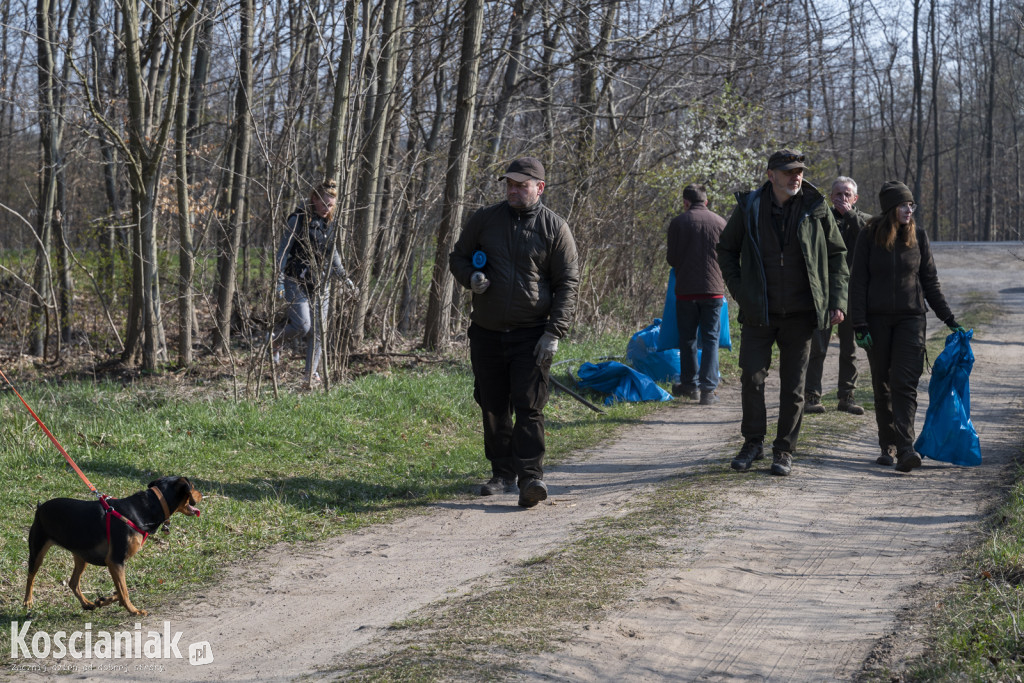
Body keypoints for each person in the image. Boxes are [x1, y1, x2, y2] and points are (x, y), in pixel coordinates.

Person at [449, 157, 580, 508]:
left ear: (540, 188)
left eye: (521, 185)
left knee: (529, 406)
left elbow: (568, 283)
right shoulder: (485, 220)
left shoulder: (555, 229)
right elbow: (458, 258)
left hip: (532, 333)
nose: (513, 190)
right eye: (509, 184)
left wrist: (554, 332)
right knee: (492, 405)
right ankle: (502, 474)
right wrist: (471, 278)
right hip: (487, 331)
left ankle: (530, 478)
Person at [716, 150, 849, 476]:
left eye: (799, 171)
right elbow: (726, 250)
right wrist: (741, 291)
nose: (796, 177)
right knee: (752, 378)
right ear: (770, 175)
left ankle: (784, 450)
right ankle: (753, 443)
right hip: (759, 312)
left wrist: (837, 300)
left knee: (793, 386)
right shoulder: (749, 207)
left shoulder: (815, 207)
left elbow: (837, 256)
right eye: (788, 172)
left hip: (802, 314)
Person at [848, 181, 963, 472]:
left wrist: (948, 318)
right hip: (875, 320)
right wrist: (859, 323)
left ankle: (906, 448)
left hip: (912, 319)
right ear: (890, 209)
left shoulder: (919, 237)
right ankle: (887, 444)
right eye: (903, 205)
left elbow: (930, 282)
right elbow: (858, 281)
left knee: (904, 383)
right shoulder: (868, 237)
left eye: (911, 205)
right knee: (882, 384)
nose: (908, 210)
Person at [271, 179, 355, 388]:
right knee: (303, 325)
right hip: (295, 280)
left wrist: (346, 279)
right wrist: (279, 281)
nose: (327, 209)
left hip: (320, 284)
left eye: (331, 205)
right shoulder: (298, 219)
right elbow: (283, 252)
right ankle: (275, 340)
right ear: (314, 199)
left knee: (318, 331)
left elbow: (333, 256)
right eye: (324, 204)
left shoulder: (330, 224)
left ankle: (311, 374)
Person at [804, 177, 871, 416]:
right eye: (837, 194)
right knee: (817, 346)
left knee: (849, 348)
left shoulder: (864, 220)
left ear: (855, 198)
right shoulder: (822, 218)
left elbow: (871, 235)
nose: (842, 198)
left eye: (846, 194)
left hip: (853, 294)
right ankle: (811, 396)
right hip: (823, 291)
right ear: (830, 197)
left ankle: (847, 396)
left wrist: (850, 215)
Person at [666, 183, 727, 405]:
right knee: (711, 338)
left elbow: (671, 259)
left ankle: (690, 385)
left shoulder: (678, 223)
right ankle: (708, 391)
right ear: (706, 201)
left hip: (686, 291)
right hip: (713, 292)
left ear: (685, 202)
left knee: (688, 338)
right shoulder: (721, 222)